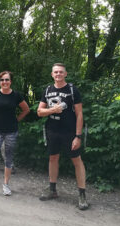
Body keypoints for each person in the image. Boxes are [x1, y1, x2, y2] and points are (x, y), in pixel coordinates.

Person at [37, 63, 89, 210]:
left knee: (77, 160)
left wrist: (78, 136)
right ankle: (52, 190)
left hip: (70, 131)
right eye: (55, 72)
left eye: (61, 72)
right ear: (52, 74)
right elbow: (39, 111)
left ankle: (82, 195)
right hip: (52, 130)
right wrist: (53, 109)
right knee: (53, 158)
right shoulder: (47, 90)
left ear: (65, 74)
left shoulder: (72, 90)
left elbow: (79, 114)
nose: (58, 74)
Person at [0, 71, 30, 197]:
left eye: (7, 80)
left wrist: (16, 120)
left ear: (11, 81)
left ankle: (6, 185)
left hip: (11, 131)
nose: (4, 82)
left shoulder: (16, 95)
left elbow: (26, 109)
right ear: (0, 82)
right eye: (2, 80)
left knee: (8, 158)